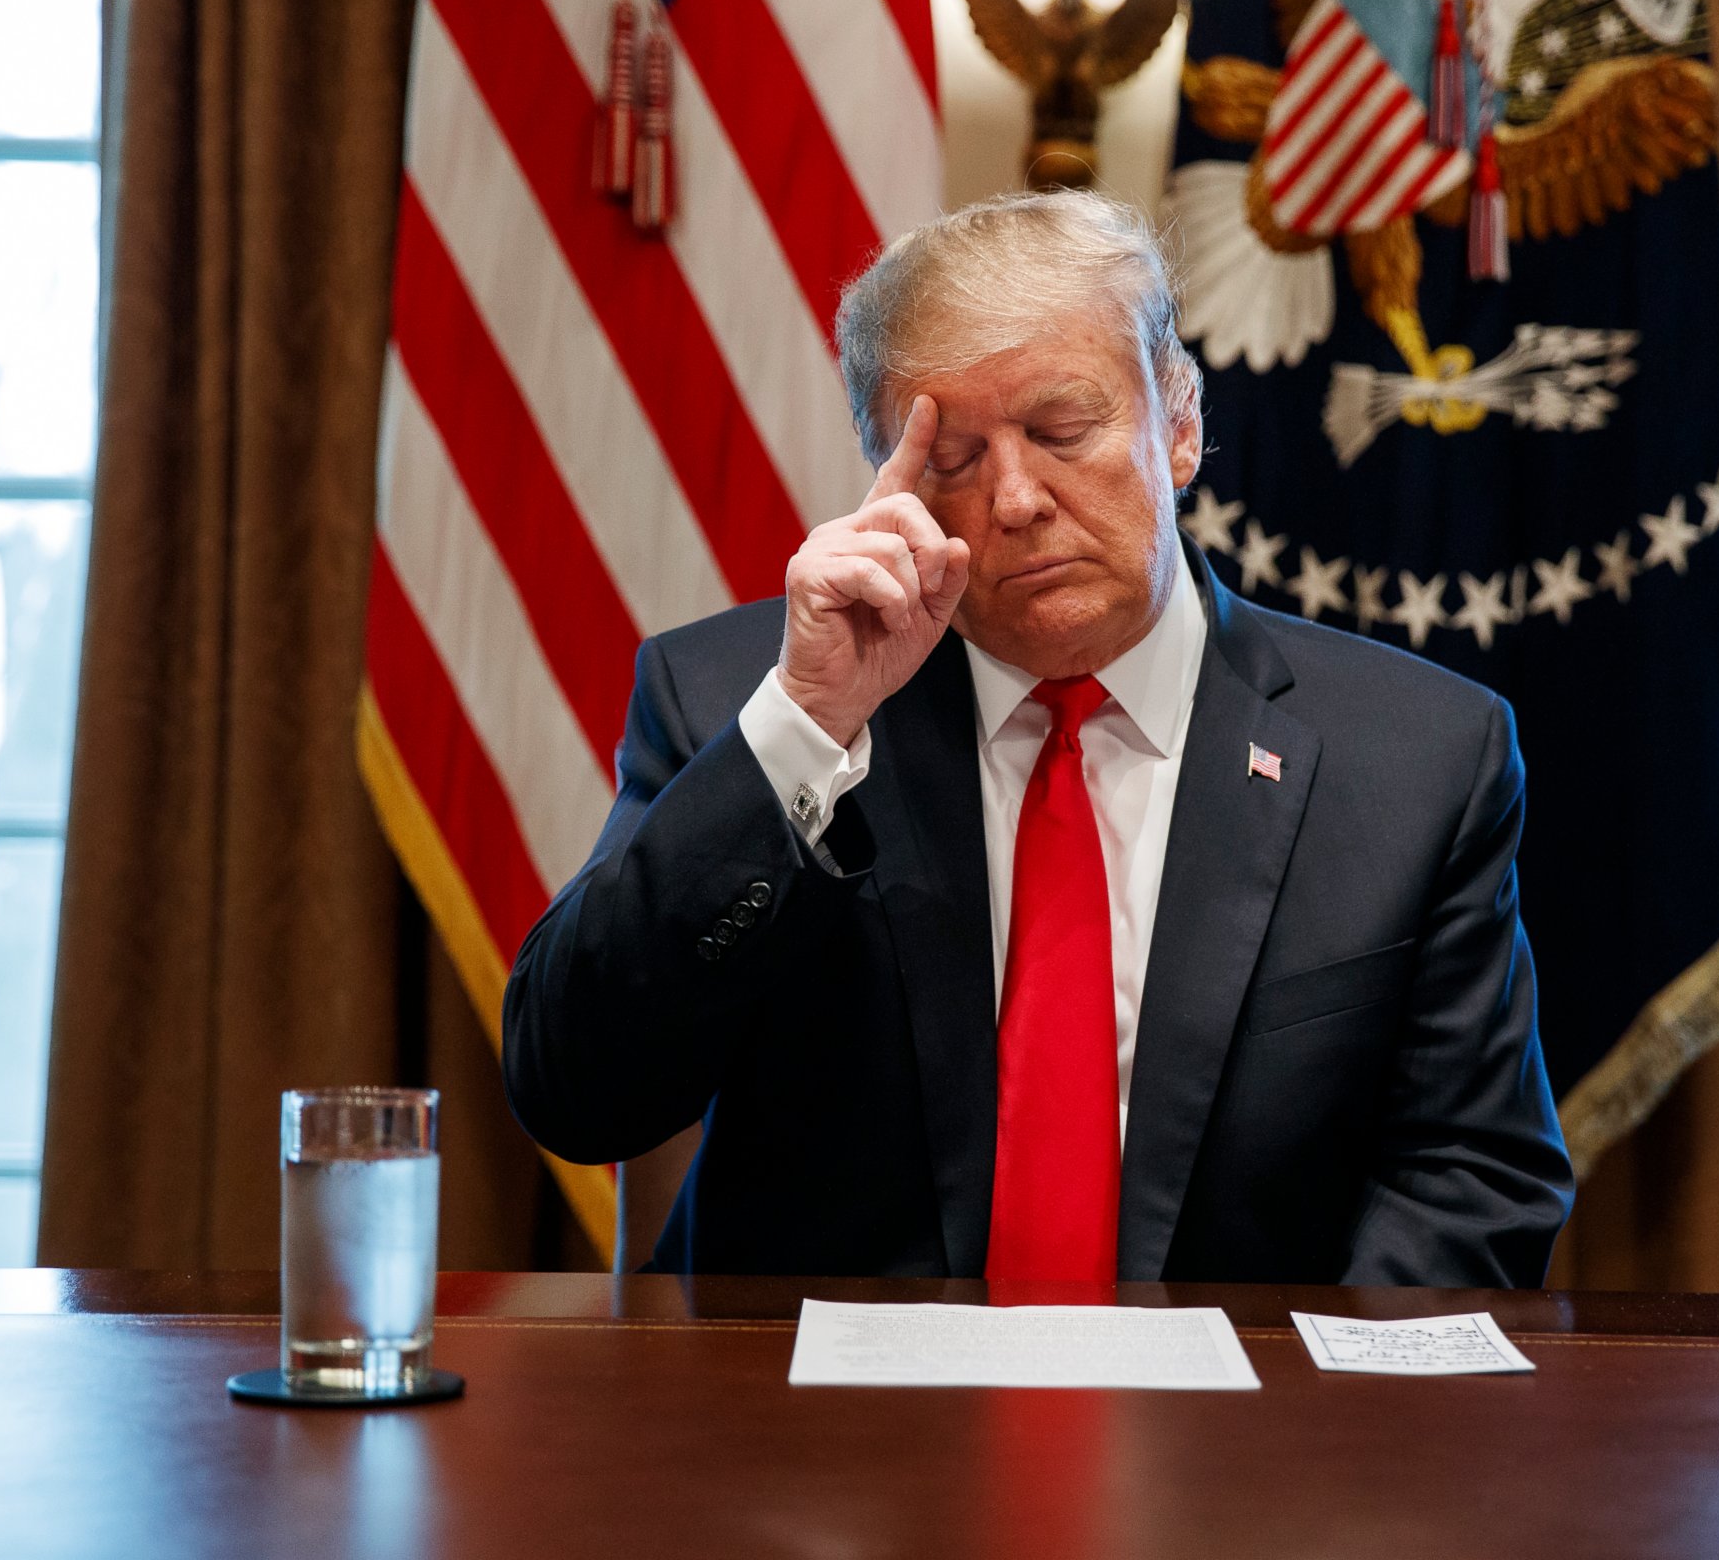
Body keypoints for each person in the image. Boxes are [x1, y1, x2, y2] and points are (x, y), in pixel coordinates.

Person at [503, 191, 1571, 1287]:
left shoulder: (1419, 757)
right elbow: (575, 1093)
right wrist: (805, 731)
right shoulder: (746, 702)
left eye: (1063, 431)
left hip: (1248, 1437)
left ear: (1182, 422)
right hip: (834, 1439)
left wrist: (1287, 1434)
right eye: (952, 460)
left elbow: (1473, 1180)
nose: (1014, 499)